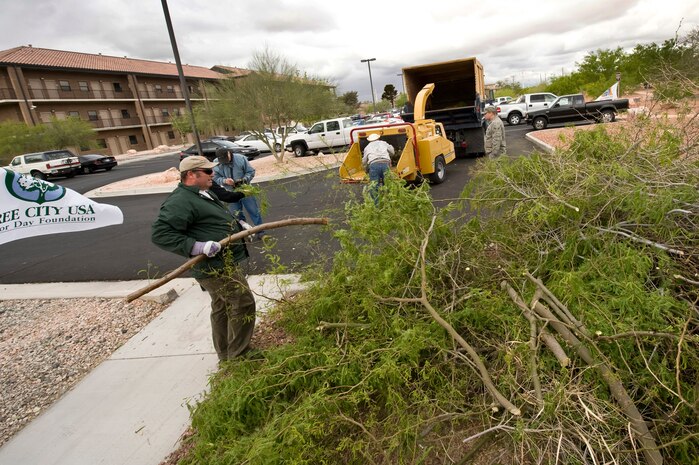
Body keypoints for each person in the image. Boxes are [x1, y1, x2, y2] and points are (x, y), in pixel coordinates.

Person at [151, 156, 256, 362]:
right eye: (207, 171)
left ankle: (226, 353)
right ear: (191, 174)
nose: (213, 174)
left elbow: (211, 218)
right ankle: (240, 355)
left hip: (222, 261)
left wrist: (238, 225)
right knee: (243, 303)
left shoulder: (202, 193)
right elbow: (161, 234)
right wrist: (197, 246)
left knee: (223, 306)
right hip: (214, 267)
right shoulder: (180, 201)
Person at [212, 147, 266, 239]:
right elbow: (215, 178)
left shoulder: (241, 159)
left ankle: (260, 231)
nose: (224, 162)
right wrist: (224, 181)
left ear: (229, 153)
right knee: (236, 214)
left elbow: (251, 172)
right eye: (222, 160)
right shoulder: (216, 163)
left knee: (253, 211)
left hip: (245, 190)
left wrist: (244, 180)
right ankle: (243, 232)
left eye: (225, 158)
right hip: (230, 192)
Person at [362, 133, 395, 203]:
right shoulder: (383, 143)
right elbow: (392, 151)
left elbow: (364, 161)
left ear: (369, 140)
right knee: (388, 184)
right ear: (378, 138)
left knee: (374, 186)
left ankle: (377, 206)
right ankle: (390, 203)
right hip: (385, 163)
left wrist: (365, 169)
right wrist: (390, 155)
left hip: (374, 165)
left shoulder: (367, 147)